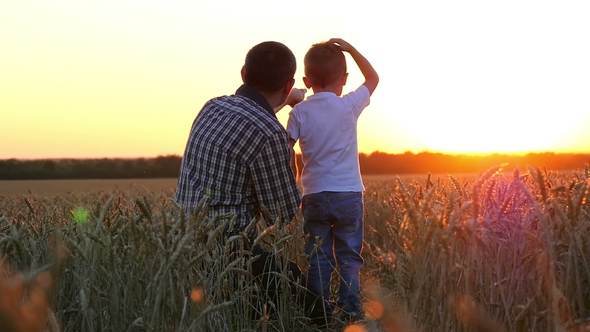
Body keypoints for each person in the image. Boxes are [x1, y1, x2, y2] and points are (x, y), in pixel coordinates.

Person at [175, 41, 322, 323]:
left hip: (181, 242)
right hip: (228, 255)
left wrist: (284, 101)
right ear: (290, 83)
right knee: (311, 307)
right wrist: (286, 149)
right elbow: (281, 212)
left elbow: (250, 122)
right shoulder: (270, 134)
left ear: (243, 73)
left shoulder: (212, 107)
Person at [286, 38, 379, 324]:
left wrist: (297, 175)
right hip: (349, 194)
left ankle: (319, 315)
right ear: (344, 78)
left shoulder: (298, 111)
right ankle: (350, 311)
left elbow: (285, 147)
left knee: (317, 257)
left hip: (314, 195)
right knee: (349, 258)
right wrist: (351, 50)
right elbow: (374, 78)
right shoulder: (349, 105)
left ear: (306, 80)